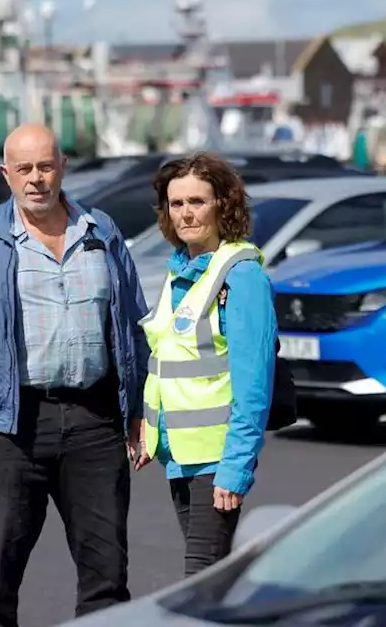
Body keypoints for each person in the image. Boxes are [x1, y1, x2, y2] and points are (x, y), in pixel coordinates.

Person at [0, 123, 149, 626]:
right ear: (5, 174)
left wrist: (136, 409)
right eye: (24, 169)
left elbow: (135, 327)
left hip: (95, 422)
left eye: (45, 166)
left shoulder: (101, 231)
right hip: (11, 426)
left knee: (107, 576)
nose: (36, 179)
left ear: (63, 167)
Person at [137, 151, 279, 576]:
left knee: (200, 582)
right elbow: (169, 363)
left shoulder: (241, 277)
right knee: (214, 583)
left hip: (216, 461)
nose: (186, 213)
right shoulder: (181, 271)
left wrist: (235, 468)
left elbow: (254, 388)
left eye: (197, 201)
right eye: (176, 204)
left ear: (223, 204)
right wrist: (150, 433)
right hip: (180, 456)